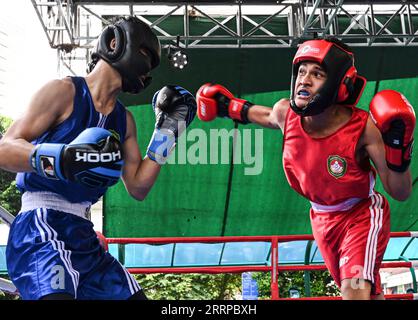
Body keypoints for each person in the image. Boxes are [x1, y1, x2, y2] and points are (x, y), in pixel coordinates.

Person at [195, 37, 415, 300]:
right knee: (366, 293)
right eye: (301, 71)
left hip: (361, 215)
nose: (305, 80)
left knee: (353, 290)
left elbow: (400, 192)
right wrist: (221, 105)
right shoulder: (284, 114)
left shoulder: (362, 128)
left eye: (317, 73)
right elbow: (258, 114)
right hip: (321, 220)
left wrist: (399, 149)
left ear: (339, 83)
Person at [0, 16, 197, 300]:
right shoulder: (63, 91)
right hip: (40, 227)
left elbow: (138, 187)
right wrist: (62, 158)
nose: (147, 73)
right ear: (115, 43)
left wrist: (168, 131)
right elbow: (5, 149)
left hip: (84, 237)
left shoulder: (124, 121)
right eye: (146, 56)